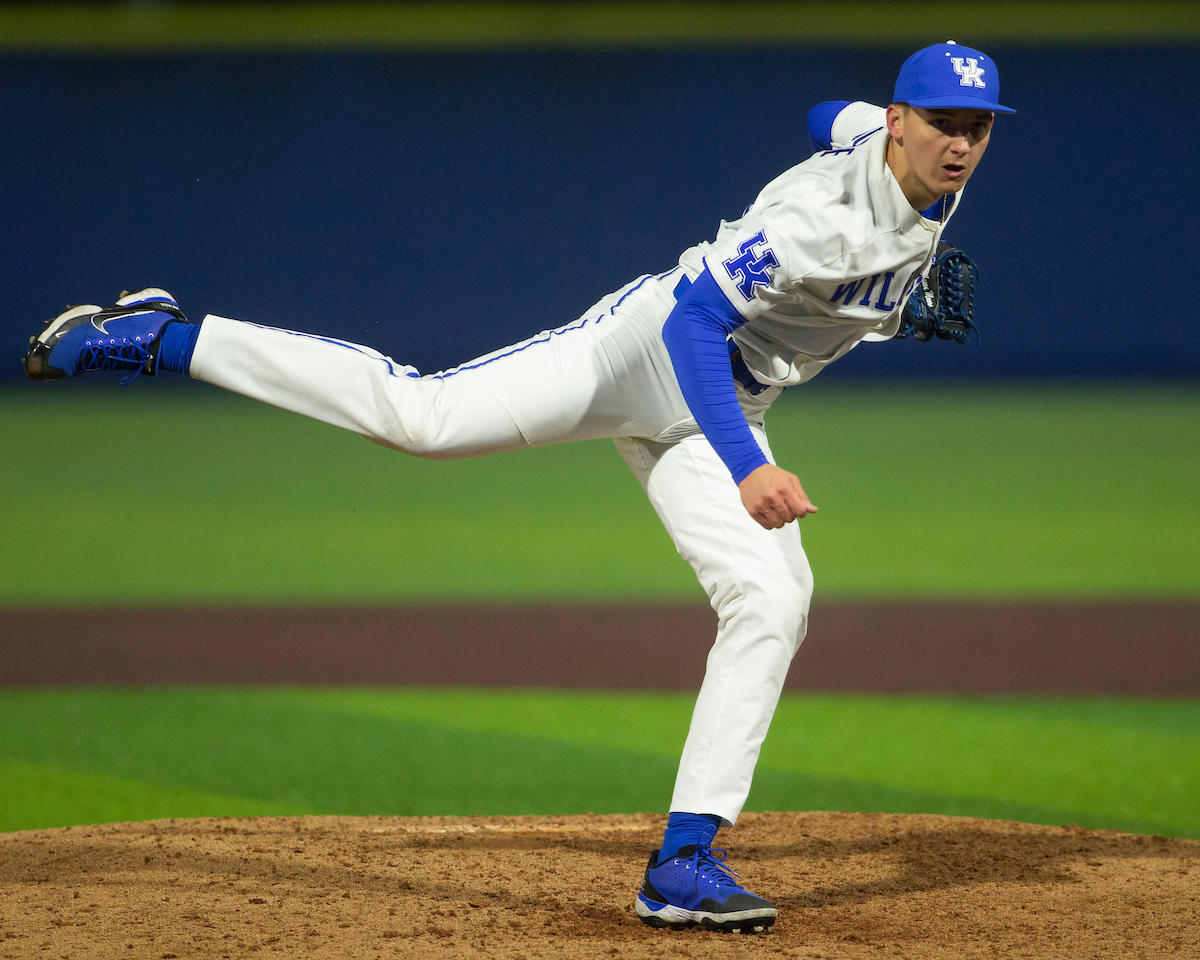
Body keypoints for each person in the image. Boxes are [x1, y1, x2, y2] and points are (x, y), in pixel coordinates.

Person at [23, 41, 1013, 933]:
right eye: (942, 124)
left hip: (726, 405)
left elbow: (821, 117)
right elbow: (693, 331)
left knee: (774, 596)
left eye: (976, 128)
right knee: (424, 420)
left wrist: (862, 271)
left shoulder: (917, 168)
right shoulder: (817, 225)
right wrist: (748, 467)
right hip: (649, 353)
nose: (960, 146)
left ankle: (683, 860)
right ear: (900, 122)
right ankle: (165, 336)